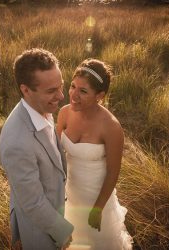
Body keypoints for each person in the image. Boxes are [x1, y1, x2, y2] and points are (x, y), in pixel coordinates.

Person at [0, 48, 74, 250]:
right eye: (51, 91)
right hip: (41, 231)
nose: (61, 95)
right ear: (25, 90)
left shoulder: (41, 105)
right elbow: (32, 203)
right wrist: (62, 231)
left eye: (61, 86)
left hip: (57, 208)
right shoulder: (17, 143)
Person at [57, 59, 133, 250]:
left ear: (100, 95)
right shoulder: (64, 113)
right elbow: (55, 153)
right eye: (73, 86)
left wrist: (98, 208)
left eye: (83, 91)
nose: (74, 95)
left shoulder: (111, 127)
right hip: (70, 193)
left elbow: (113, 172)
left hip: (97, 198)